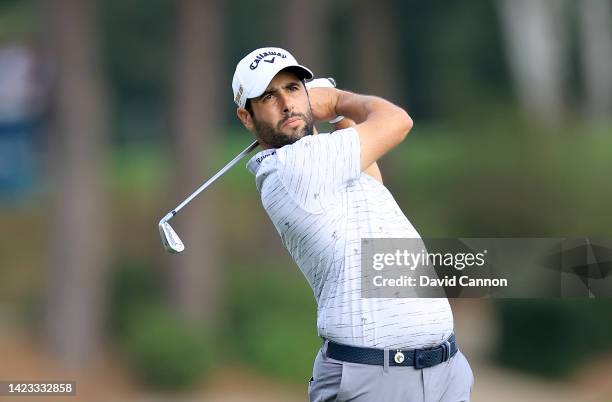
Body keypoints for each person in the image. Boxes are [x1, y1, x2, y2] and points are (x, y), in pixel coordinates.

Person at [233, 47, 473, 402]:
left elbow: (371, 178)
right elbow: (397, 121)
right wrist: (337, 99)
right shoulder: (294, 166)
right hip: (373, 380)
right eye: (269, 96)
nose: (286, 104)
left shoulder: (326, 162)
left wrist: (333, 117)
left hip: (443, 371)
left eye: (294, 89)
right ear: (247, 117)